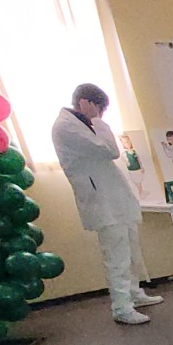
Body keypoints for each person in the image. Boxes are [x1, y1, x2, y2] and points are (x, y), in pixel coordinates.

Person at [51, 84, 161, 326]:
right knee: (116, 255)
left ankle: (133, 293)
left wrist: (95, 121)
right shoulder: (66, 126)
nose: (100, 114)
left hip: (113, 199)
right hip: (102, 201)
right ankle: (121, 306)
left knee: (130, 249)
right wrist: (98, 121)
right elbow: (110, 150)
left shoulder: (79, 124)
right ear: (84, 103)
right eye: (98, 108)